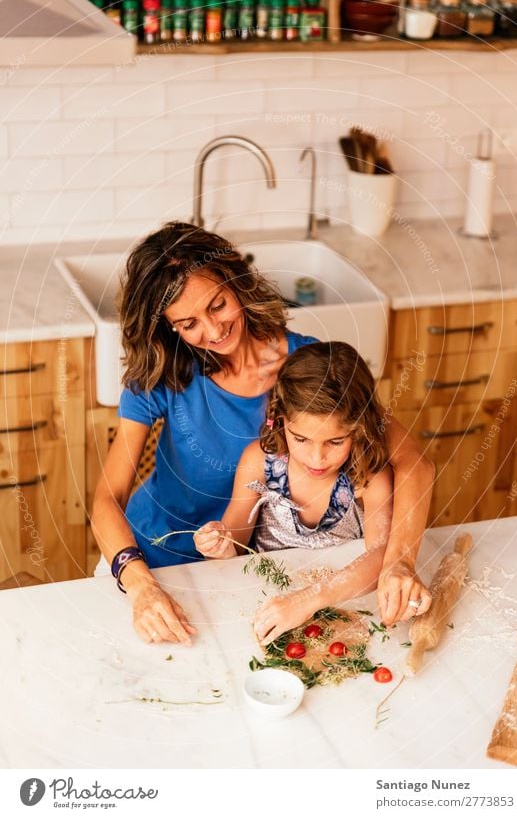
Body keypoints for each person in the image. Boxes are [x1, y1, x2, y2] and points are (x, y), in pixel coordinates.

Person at [91, 222, 434, 645]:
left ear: (236, 283)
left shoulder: (305, 368)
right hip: (149, 555)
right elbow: (108, 498)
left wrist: (399, 560)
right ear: (168, 327)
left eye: (217, 305)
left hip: (249, 567)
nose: (213, 331)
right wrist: (140, 583)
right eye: (188, 323)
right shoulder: (164, 375)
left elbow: (414, 463)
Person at [194, 341, 425, 645]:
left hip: (344, 608)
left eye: (335, 442)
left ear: (359, 429)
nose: (317, 458)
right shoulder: (259, 462)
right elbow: (235, 544)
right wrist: (220, 547)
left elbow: (381, 556)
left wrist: (306, 601)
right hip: (264, 605)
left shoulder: (368, 473)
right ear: (279, 419)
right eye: (301, 439)